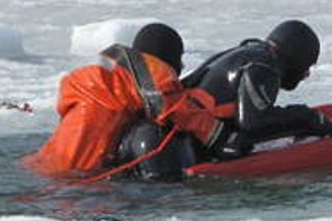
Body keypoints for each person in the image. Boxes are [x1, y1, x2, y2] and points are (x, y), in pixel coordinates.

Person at [26, 23, 225, 180]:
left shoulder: (108, 77)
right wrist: (219, 135)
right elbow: (175, 109)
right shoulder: (154, 73)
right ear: (168, 57)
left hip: (43, 165)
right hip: (78, 178)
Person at [181, 19, 332, 158]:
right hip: (196, 151)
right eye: (307, 66)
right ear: (295, 59)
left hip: (185, 140)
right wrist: (306, 117)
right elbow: (253, 123)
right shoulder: (263, 66)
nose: (306, 74)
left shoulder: (247, 51)